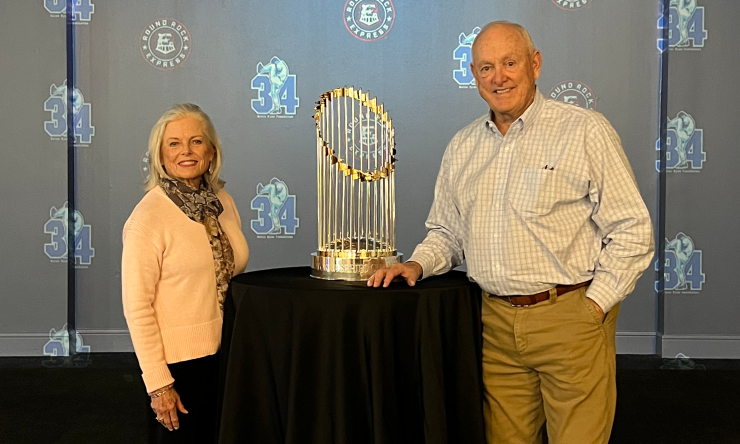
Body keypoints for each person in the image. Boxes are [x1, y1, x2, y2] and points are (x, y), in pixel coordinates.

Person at [368, 21, 654, 444]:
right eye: (486, 68)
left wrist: (593, 307)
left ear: (535, 64)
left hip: (570, 318)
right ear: (473, 75)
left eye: (509, 62)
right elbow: (447, 231)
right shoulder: (462, 146)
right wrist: (416, 263)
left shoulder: (584, 130)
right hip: (495, 327)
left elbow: (633, 228)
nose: (498, 77)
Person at [122, 103, 249, 443]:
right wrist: (159, 384)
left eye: (196, 141)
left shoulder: (222, 201)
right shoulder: (147, 218)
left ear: (211, 151)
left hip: (227, 354)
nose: (186, 152)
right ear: (161, 156)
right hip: (180, 365)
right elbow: (138, 309)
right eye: (174, 143)